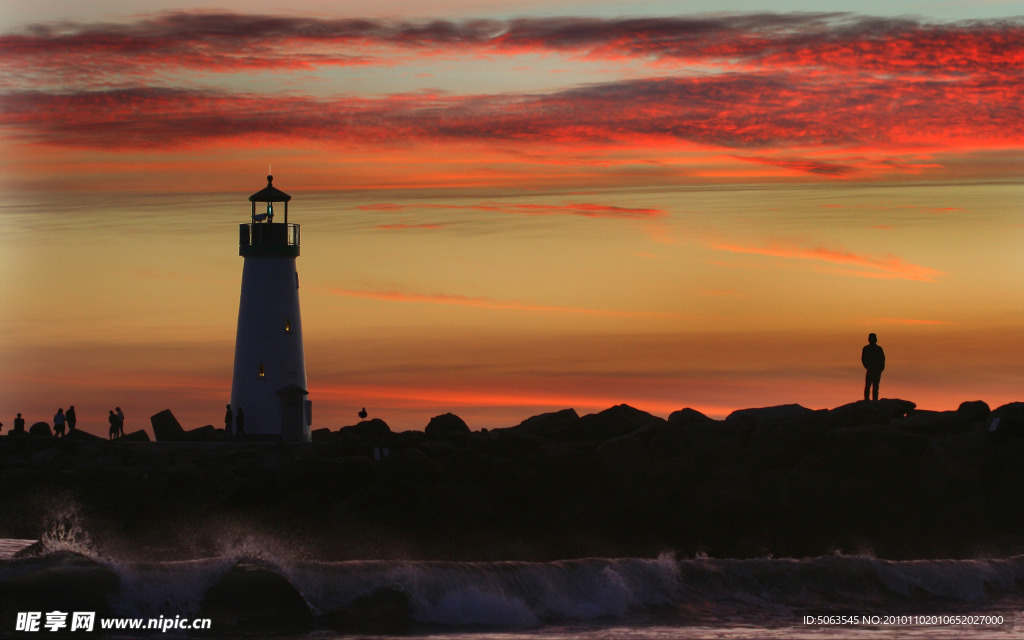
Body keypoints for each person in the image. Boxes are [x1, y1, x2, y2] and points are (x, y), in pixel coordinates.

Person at [862, 333, 886, 402]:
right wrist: (868, 367)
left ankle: (873, 400)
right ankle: (868, 399)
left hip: (875, 370)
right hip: (871, 370)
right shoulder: (867, 349)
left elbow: (882, 359)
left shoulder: (878, 349)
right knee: (870, 385)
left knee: (874, 386)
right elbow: (864, 359)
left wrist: (880, 369)